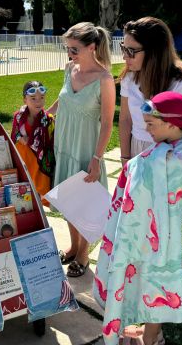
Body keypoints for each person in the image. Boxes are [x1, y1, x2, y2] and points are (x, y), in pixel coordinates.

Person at [93, 91, 182, 345]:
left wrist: (133, 169)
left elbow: (144, 192)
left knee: (155, 282)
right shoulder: (172, 150)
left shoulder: (170, 159)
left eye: (151, 124)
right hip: (158, 235)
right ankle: (150, 332)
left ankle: (150, 337)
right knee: (152, 280)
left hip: (150, 236)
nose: (146, 129)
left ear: (172, 123)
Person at [48, 22, 115, 277]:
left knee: (85, 204)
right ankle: (74, 246)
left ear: (92, 47)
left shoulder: (105, 79)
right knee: (67, 200)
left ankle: (84, 254)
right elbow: (62, 99)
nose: (70, 54)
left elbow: (108, 123)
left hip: (87, 149)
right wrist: (43, 115)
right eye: (68, 48)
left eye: (74, 49)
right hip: (64, 145)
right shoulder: (69, 69)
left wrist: (97, 158)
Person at [118, 17, 182, 167]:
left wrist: (180, 176)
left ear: (154, 51)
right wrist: (125, 159)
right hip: (136, 151)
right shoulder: (129, 78)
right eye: (123, 48)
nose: (124, 56)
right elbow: (125, 119)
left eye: (130, 51)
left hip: (169, 156)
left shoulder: (181, 84)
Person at [11, 80, 55, 205]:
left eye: (42, 98)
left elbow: (52, 142)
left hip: (40, 164)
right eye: (33, 98)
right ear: (25, 100)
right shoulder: (18, 117)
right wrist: (20, 137)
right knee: (24, 194)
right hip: (23, 160)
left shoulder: (48, 120)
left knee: (39, 195)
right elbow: (14, 134)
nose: (38, 102)